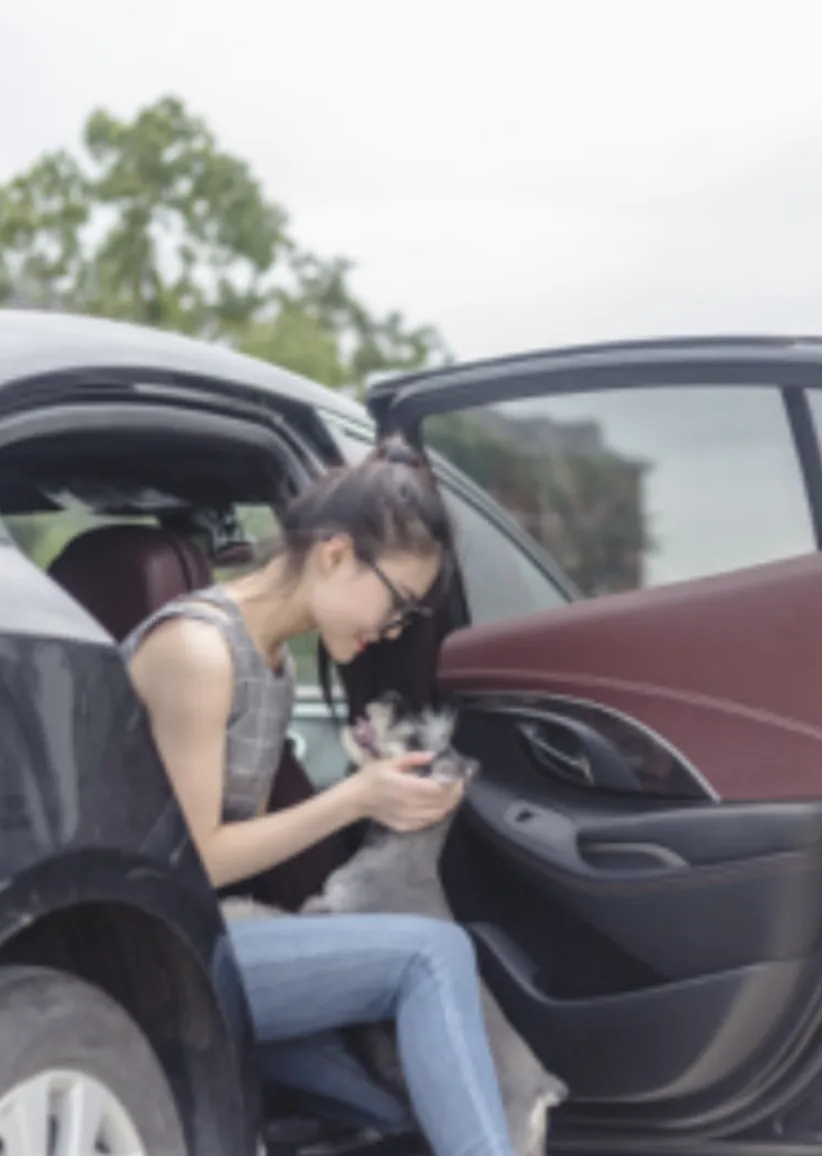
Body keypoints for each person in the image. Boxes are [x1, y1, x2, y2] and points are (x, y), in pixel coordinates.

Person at [124, 436, 512, 1156]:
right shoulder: (198, 651)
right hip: (149, 951)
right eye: (395, 604)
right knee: (431, 955)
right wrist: (356, 799)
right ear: (335, 554)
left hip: (196, 941)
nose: (389, 631)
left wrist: (377, 793)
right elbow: (194, 860)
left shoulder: (266, 658)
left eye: (405, 621)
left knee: (386, 1117)